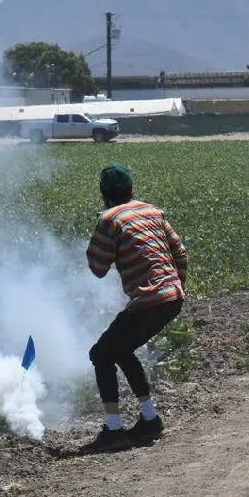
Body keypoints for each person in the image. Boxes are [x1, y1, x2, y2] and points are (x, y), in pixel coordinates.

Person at [83, 162, 188, 452]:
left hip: (148, 301)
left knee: (100, 354)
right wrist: (176, 288)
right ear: (131, 188)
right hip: (173, 297)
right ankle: (149, 419)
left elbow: (98, 267)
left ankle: (114, 430)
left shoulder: (109, 220)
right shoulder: (153, 212)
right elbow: (180, 252)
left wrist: (99, 231)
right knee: (120, 349)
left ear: (104, 193)